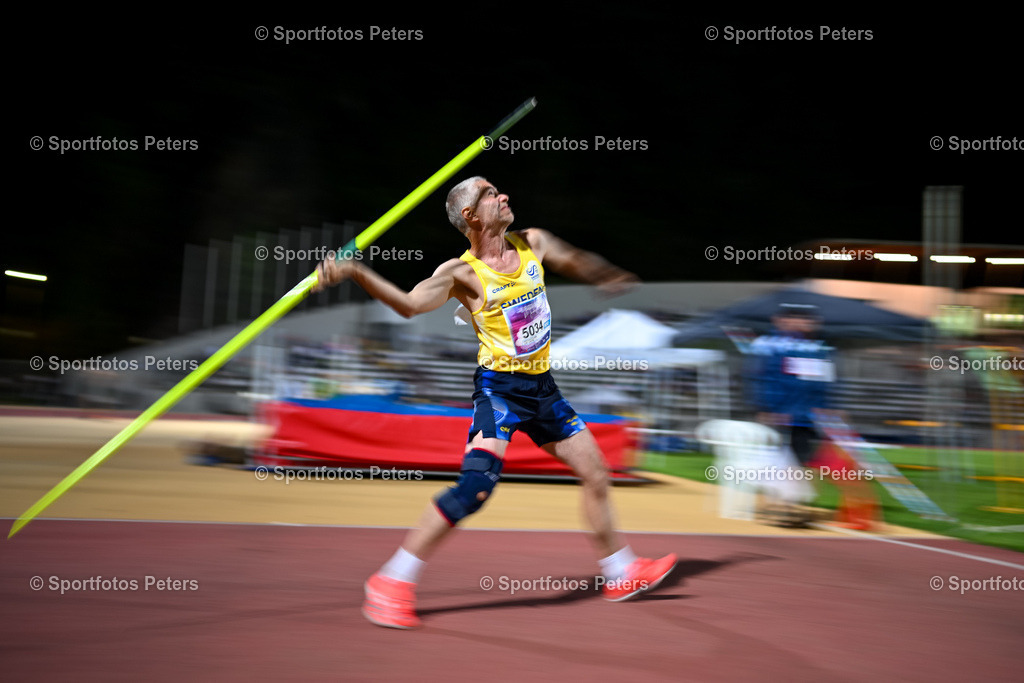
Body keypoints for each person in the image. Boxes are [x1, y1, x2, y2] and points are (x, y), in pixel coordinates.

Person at [313, 176, 677, 629]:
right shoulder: (460, 274)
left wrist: (604, 274)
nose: (502, 195)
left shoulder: (532, 243)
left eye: (498, 190)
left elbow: (576, 259)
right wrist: (356, 271)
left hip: (543, 390)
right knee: (475, 488)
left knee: (596, 472)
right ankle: (390, 581)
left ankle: (620, 572)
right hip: (499, 392)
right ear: (470, 217)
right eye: (489, 194)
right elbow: (408, 306)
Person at [744, 303, 877, 529]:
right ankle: (783, 506)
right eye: (795, 319)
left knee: (801, 461)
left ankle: (790, 506)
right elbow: (762, 379)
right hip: (782, 414)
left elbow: (825, 382)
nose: (802, 324)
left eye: (806, 319)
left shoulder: (820, 348)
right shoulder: (772, 347)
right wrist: (766, 408)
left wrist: (832, 406)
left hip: (807, 416)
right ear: (781, 321)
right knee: (780, 460)